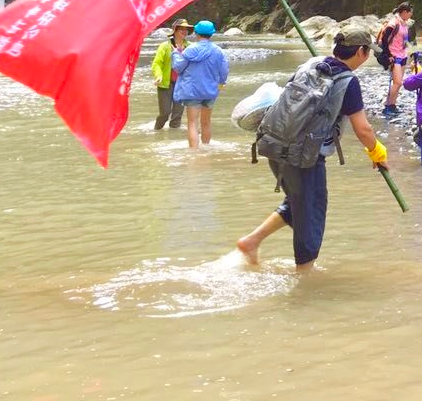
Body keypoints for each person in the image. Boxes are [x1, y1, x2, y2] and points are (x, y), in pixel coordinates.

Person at [236, 28, 389, 270]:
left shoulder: (311, 65)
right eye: (368, 51)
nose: (368, 56)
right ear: (360, 51)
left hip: (275, 146)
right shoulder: (348, 82)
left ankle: (251, 241)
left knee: (299, 201)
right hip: (304, 158)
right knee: (311, 215)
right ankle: (304, 279)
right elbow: (363, 129)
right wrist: (376, 151)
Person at [172, 20, 229, 149]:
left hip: (192, 91)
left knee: (192, 123)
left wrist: (176, 53)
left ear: (196, 33)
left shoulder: (190, 49)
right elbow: (224, 71)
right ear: (212, 34)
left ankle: (194, 153)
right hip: (210, 91)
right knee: (206, 122)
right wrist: (221, 83)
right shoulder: (218, 51)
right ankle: (206, 148)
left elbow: (178, 68)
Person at [151, 19, 190, 129]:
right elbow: (157, 63)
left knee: (177, 115)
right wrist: (158, 76)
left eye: (186, 29)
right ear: (175, 30)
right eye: (181, 29)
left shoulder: (190, 46)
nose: (184, 31)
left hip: (182, 84)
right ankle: (156, 132)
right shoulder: (165, 46)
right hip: (165, 83)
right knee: (165, 113)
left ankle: (173, 138)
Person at [378, 2, 413, 119]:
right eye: (410, 12)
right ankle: (387, 106)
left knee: (397, 83)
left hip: (402, 55)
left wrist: (410, 51)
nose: (411, 14)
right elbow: (384, 39)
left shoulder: (404, 24)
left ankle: (392, 105)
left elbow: (405, 40)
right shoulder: (393, 23)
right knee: (398, 82)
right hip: (394, 55)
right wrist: (388, 54)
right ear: (404, 12)